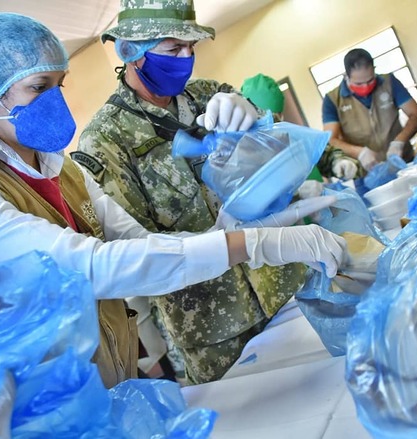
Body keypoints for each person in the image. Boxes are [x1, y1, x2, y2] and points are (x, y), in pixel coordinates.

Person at [0, 11, 345, 397]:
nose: (56, 101)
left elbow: (143, 242)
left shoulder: (64, 172)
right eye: (38, 87)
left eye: (59, 85)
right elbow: (96, 267)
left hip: (106, 380)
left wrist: (239, 230)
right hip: (38, 404)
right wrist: (252, 243)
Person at [74, 0, 339, 385]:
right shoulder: (106, 141)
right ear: (131, 50)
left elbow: (278, 152)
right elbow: (137, 252)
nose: (186, 58)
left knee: (328, 392)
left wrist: (254, 118)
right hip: (215, 327)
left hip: (283, 284)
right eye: (172, 47)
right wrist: (218, 241)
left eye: (191, 47)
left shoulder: (209, 95)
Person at [322, 48, 417, 172]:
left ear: (374, 69)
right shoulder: (333, 100)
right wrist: (359, 153)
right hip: (366, 171)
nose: (366, 87)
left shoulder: (389, 83)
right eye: (359, 84)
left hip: (402, 161)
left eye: (370, 80)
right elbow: (330, 140)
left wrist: (400, 141)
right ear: (346, 76)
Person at [241, 73, 358, 181]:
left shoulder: (294, 135)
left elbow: (323, 152)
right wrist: (298, 193)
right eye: (262, 120)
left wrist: (338, 162)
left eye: (274, 118)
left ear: (281, 116)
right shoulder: (244, 154)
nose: (271, 125)